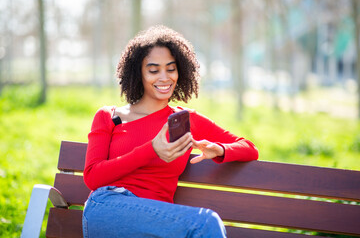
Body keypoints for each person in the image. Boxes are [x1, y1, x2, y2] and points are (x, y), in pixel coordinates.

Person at [82, 25, 258, 238]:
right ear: (138, 73)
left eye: (171, 69)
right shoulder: (109, 116)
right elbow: (92, 177)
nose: (164, 77)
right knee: (205, 224)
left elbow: (249, 148)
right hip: (108, 208)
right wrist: (151, 150)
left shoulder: (187, 120)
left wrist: (218, 149)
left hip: (160, 225)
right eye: (153, 70)